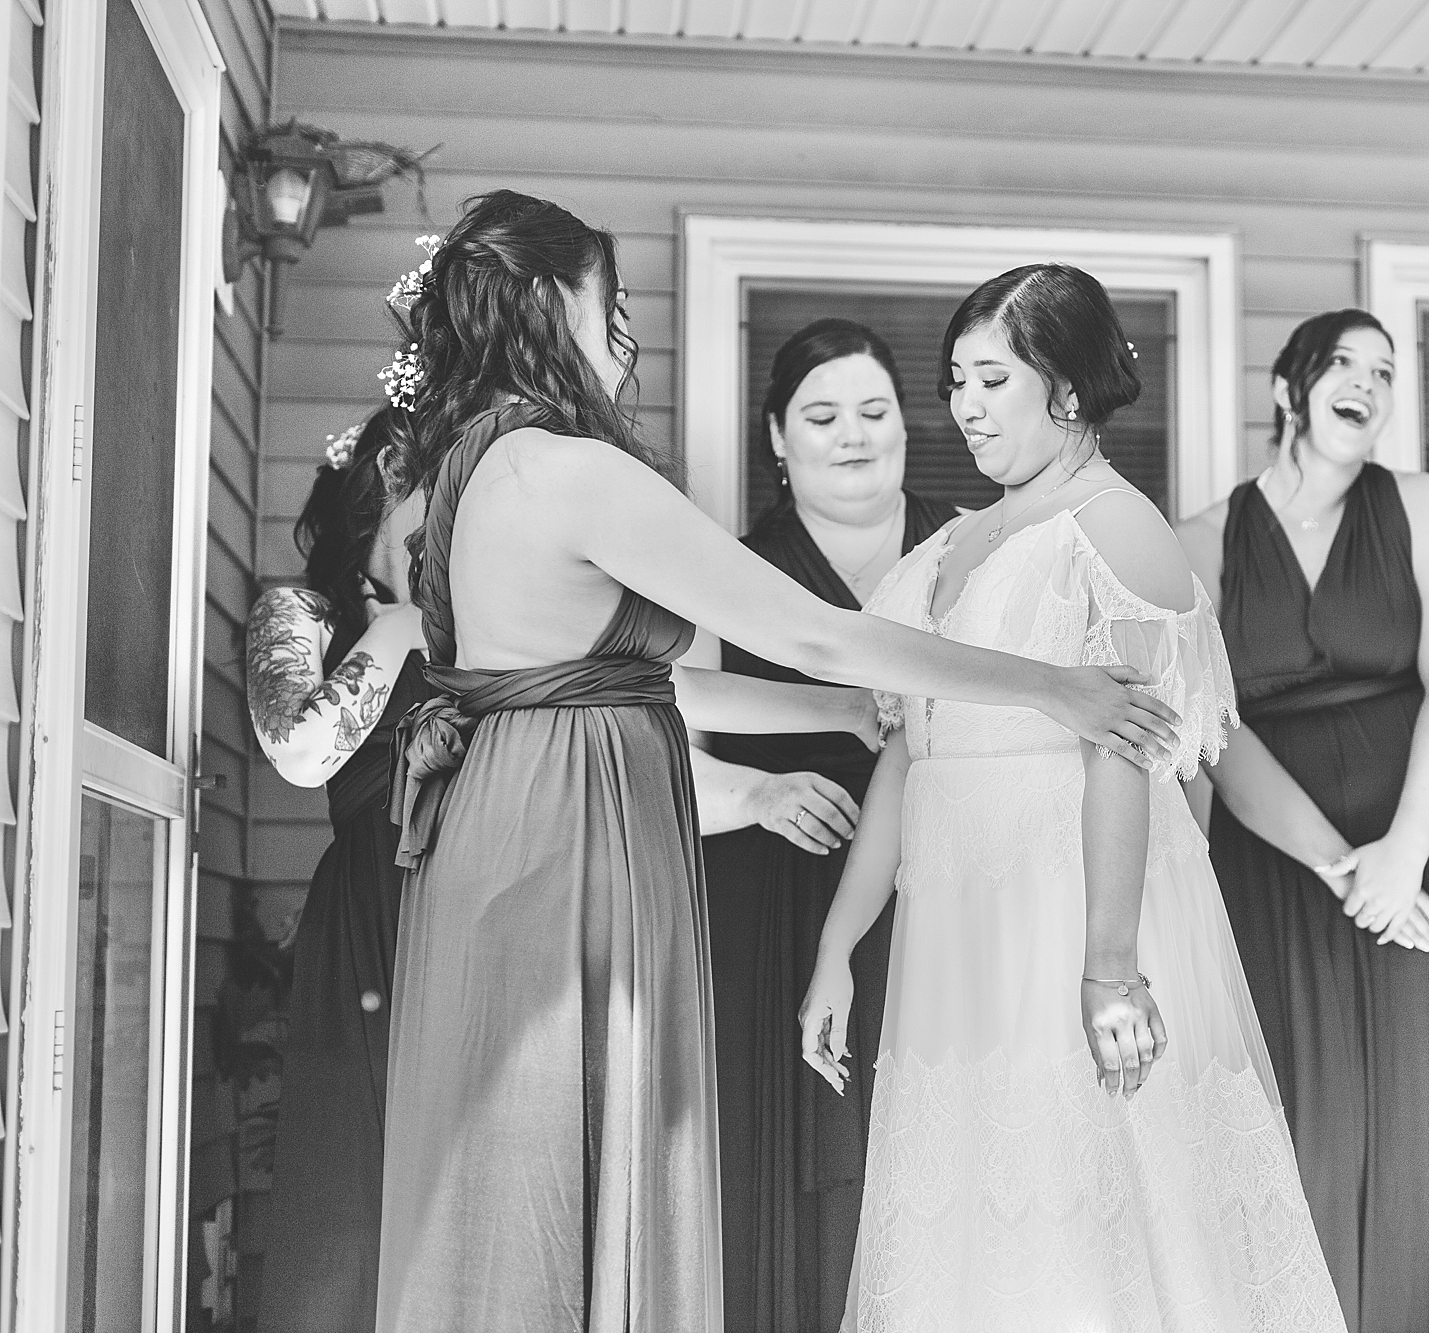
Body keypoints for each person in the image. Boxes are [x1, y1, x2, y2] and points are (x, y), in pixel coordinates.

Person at [371, 192, 1180, 1333]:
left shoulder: (468, 470)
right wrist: (1049, 684)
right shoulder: (568, 467)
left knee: (518, 1166)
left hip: (515, 809)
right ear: (555, 303)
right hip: (566, 840)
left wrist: (847, 710)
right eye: (610, 302)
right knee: (557, 1152)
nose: (620, 333)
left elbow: (635, 680)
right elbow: (810, 625)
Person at [799, 264, 1346, 1330]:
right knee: (973, 1224)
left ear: (1062, 386)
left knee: (1088, 1214)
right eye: (953, 379)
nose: (961, 405)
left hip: (1068, 909)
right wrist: (836, 945)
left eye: (988, 377)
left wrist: (1105, 966)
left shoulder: (1116, 526)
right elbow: (907, 756)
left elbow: (1129, 753)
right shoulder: (948, 546)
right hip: (953, 928)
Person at [1175, 310, 1429, 1333]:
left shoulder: (1422, 505)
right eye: (1344, 363)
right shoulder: (1195, 541)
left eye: (1384, 372)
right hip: (1280, 854)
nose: (1367, 384)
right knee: (1304, 1129)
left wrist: (1405, 852)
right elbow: (1218, 733)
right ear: (1289, 389)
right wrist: (1345, 867)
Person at [693, 318, 956, 1330]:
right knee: (789, 1142)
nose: (851, 434)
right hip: (778, 882)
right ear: (776, 436)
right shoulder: (725, 569)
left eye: (873, 410)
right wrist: (758, 792)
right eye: (821, 414)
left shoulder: (969, 544)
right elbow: (665, 711)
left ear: (904, 425)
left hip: (945, 878)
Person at [245, 408, 427, 1333]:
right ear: (387, 483)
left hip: (479, 898)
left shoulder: (491, 617)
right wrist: (400, 630)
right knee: (352, 1196)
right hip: (369, 911)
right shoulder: (303, 614)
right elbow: (297, 747)